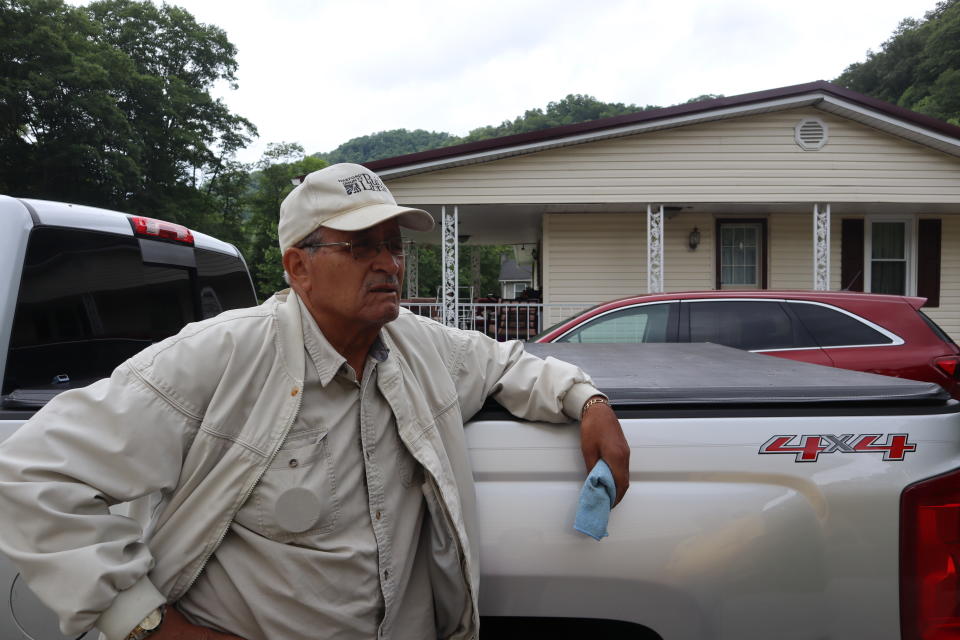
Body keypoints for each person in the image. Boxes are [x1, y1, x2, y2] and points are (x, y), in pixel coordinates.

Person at [0, 163, 629, 640]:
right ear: (299, 267)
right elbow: (28, 474)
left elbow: (506, 365)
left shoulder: (415, 344)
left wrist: (590, 402)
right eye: (360, 247)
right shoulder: (221, 357)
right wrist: (146, 624)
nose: (388, 263)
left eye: (393, 244)